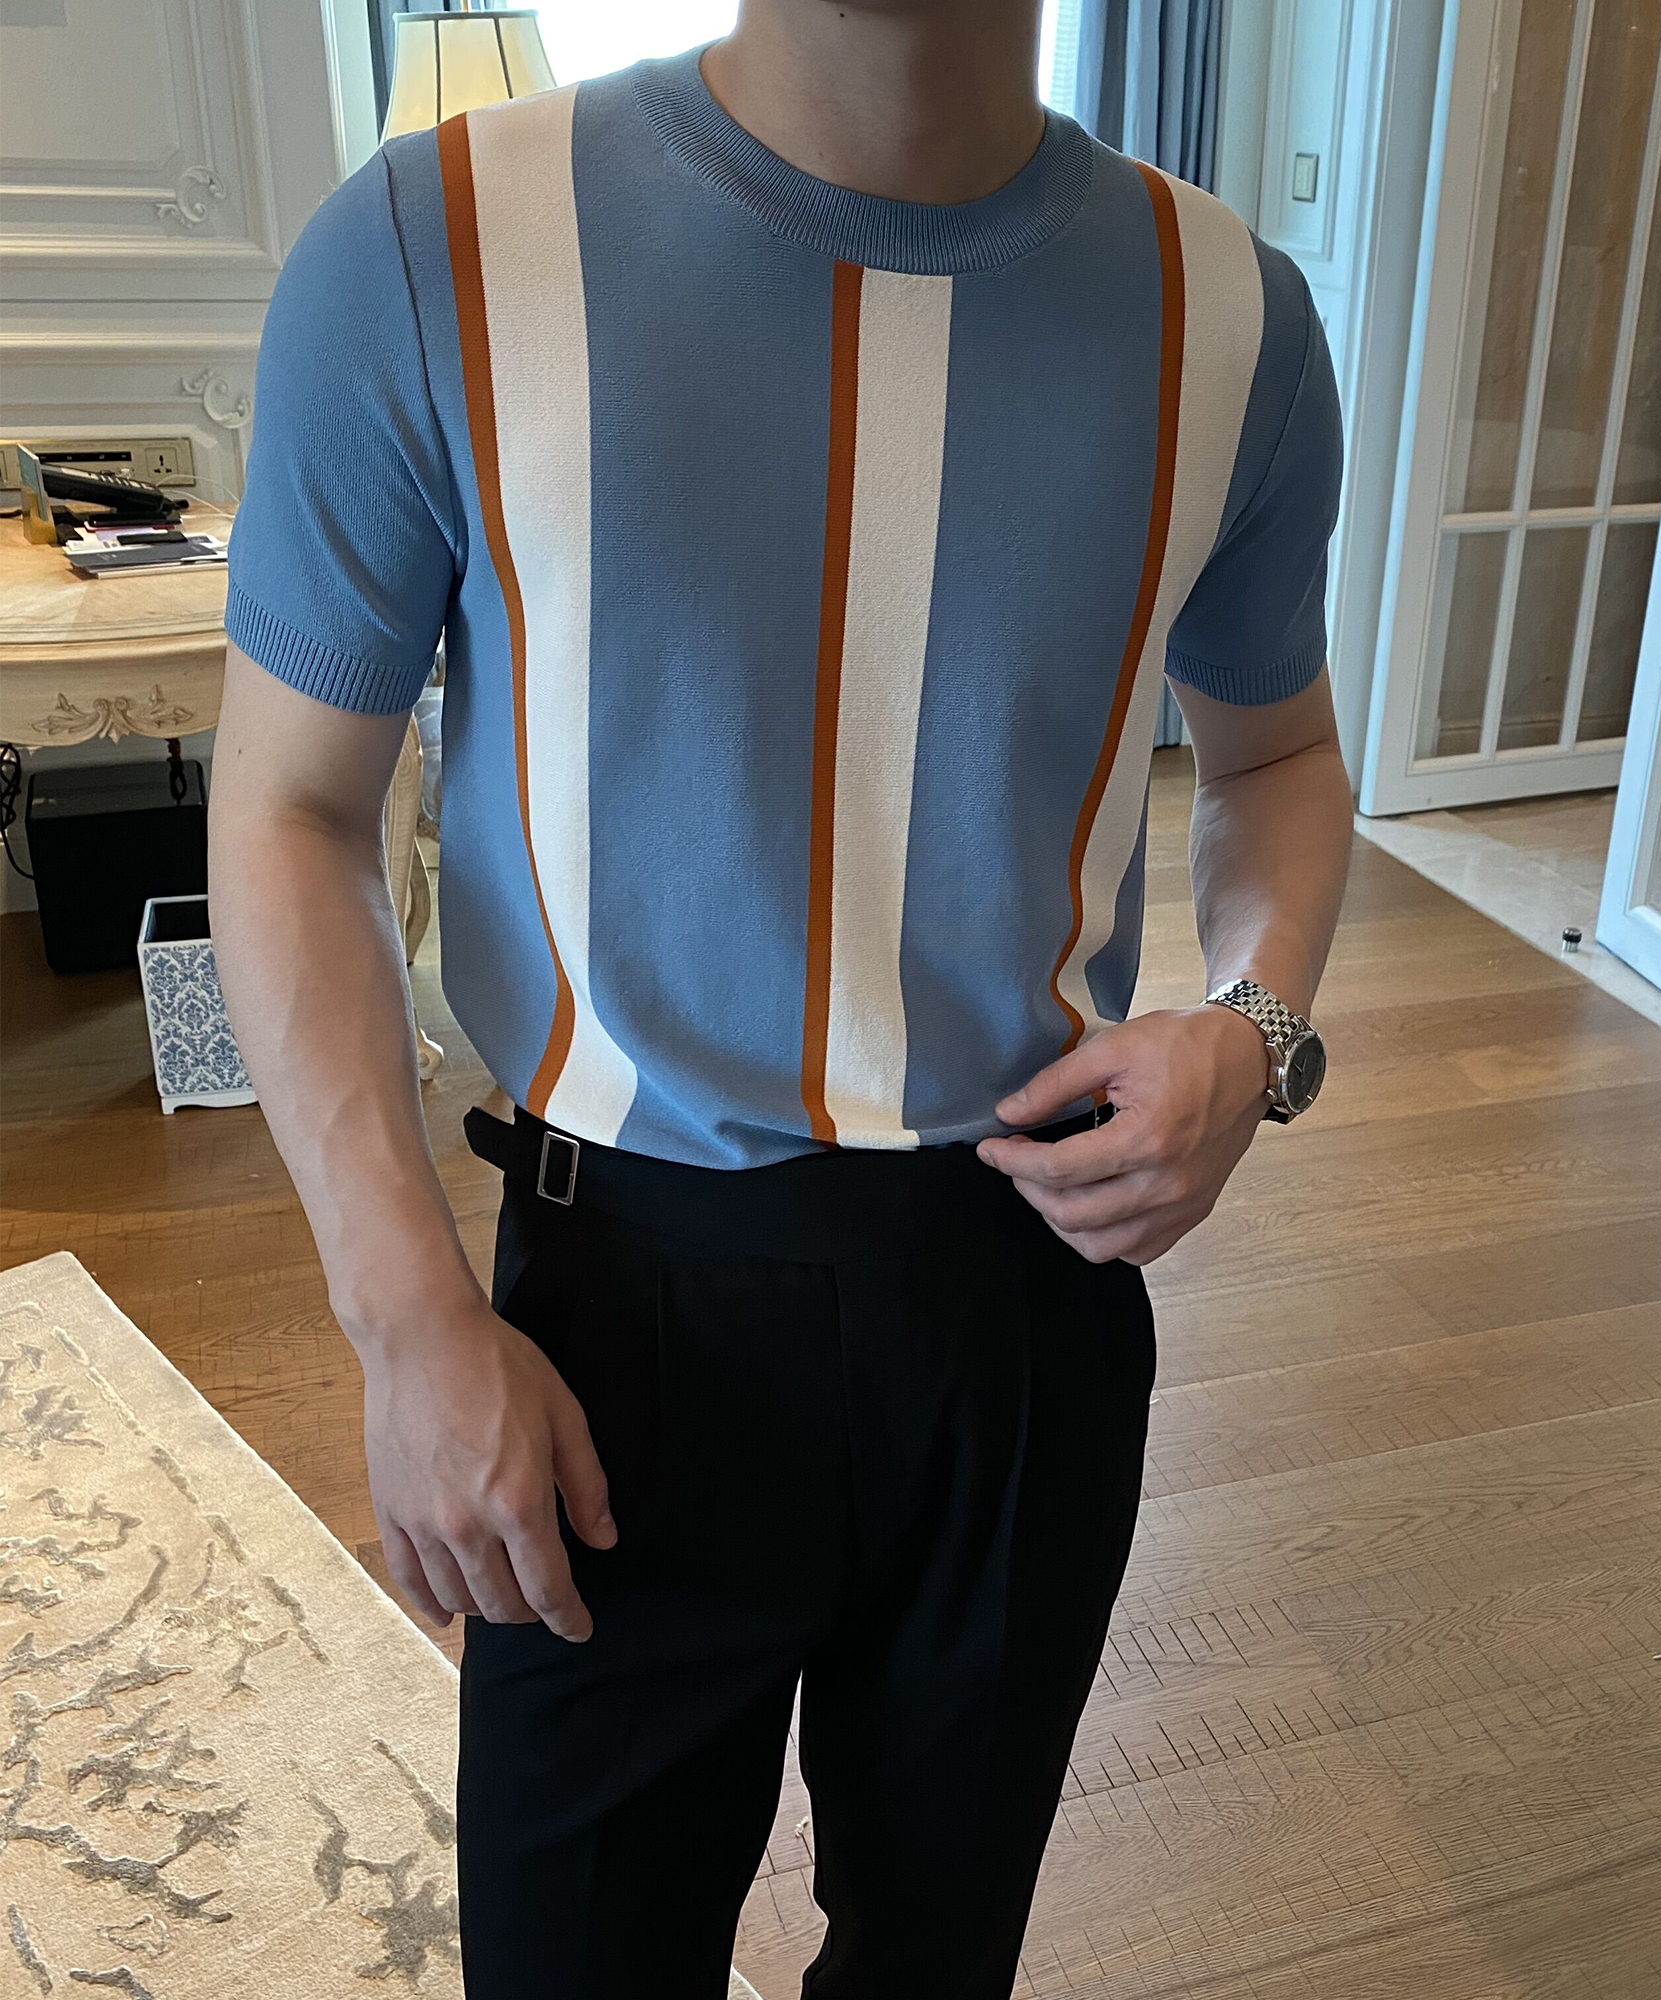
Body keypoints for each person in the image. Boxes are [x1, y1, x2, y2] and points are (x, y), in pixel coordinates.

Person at [208, 0, 1351, 1990]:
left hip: (1029, 1291)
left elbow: (1276, 756)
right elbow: (294, 809)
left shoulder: (1233, 319)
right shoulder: (431, 248)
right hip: (615, 1322)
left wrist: (1252, 1031)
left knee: (939, 1957)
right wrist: (403, 1319)